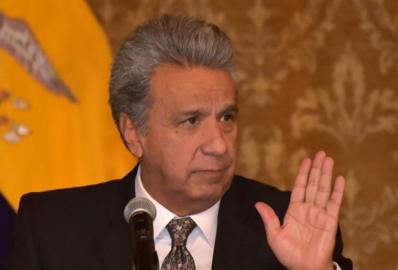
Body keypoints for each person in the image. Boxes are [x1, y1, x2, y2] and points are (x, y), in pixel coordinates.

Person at [5, 14, 353, 270]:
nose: (218, 144)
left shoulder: (288, 224)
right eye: (191, 120)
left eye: (226, 118)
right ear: (133, 132)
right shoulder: (52, 230)